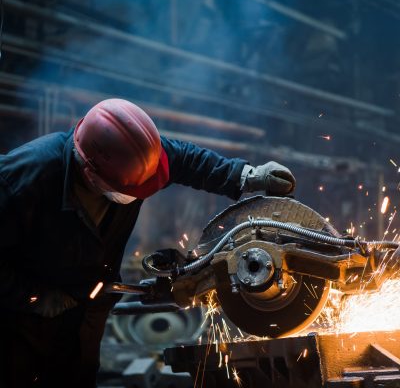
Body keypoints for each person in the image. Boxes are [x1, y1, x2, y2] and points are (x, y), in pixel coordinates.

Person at [0, 98, 295, 387]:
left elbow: (186, 160)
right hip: (21, 321)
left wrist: (245, 176)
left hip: (86, 312)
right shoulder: (22, 181)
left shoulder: (132, 154)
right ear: (91, 173)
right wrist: (32, 297)